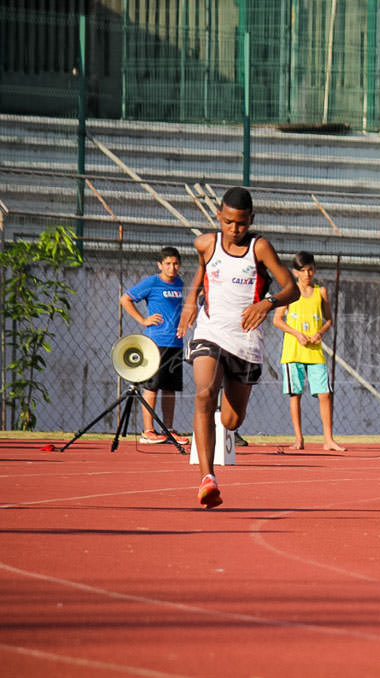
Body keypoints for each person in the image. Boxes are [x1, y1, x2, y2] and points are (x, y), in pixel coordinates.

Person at [177, 187, 298, 508]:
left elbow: (291, 288)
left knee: (231, 420)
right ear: (219, 216)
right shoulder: (205, 243)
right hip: (211, 331)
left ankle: (221, 424)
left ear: (251, 220)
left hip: (245, 340)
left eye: (241, 224)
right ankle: (207, 478)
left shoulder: (260, 248)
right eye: (229, 222)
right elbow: (203, 271)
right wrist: (190, 302)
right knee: (203, 392)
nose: (234, 230)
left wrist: (267, 303)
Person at [273, 251, 345, 452]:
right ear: (295, 272)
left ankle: (328, 439)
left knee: (324, 394)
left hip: (315, 352)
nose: (307, 274)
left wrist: (320, 332)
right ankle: (298, 439)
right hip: (293, 351)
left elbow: (328, 320)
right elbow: (277, 320)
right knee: (295, 394)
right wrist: (296, 334)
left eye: (310, 269)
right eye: (303, 271)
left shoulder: (321, 292)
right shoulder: (289, 291)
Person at [119, 246, 189, 446]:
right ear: (160, 265)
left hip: (175, 342)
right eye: (167, 263)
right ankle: (148, 431)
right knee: (152, 385)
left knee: (170, 388)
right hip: (156, 342)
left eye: (175, 263)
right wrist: (143, 320)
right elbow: (125, 299)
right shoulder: (152, 282)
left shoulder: (180, 284)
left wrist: (183, 323)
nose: (172, 267)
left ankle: (168, 429)